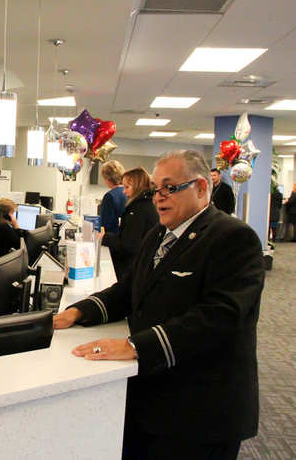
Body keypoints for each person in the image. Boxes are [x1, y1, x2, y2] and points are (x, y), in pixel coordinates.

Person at [54, 150, 264, 460]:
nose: (158, 197)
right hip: (154, 397)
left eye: (170, 187)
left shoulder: (234, 238)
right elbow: (128, 290)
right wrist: (77, 312)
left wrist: (135, 346)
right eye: (155, 188)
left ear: (202, 188)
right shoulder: (158, 234)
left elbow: (220, 316)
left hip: (203, 409)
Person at [101, 167, 159, 281]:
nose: (124, 191)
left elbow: (128, 245)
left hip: (131, 268)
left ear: (137, 186)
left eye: (127, 187)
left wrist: (105, 237)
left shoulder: (138, 210)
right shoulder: (147, 205)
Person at [99, 160, 126, 234]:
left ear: (107, 179)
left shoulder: (110, 196)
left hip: (113, 239)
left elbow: (105, 225)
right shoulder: (129, 193)